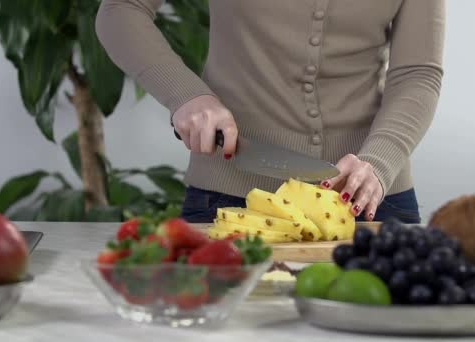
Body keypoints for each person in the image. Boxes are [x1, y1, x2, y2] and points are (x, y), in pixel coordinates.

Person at [95, 0, 445, 224]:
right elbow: (121, 10)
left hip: (371, 197)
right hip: (231, 196)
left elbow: (417, 73)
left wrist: (379, 162)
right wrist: (186, 95)